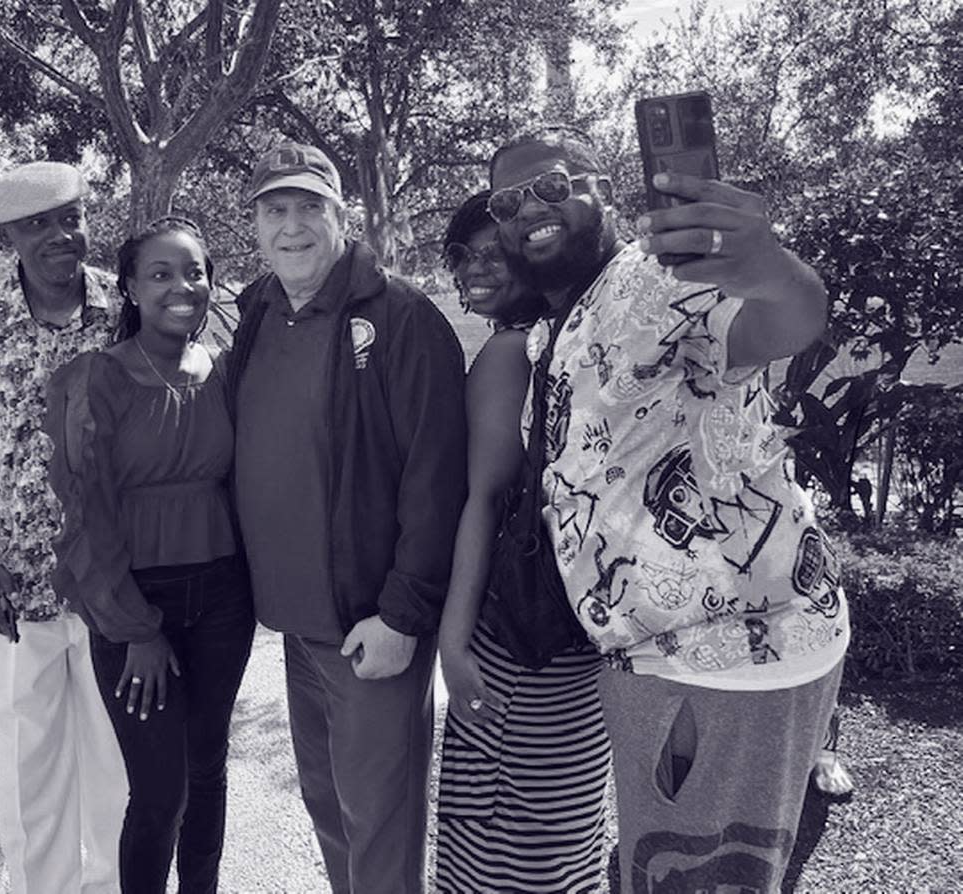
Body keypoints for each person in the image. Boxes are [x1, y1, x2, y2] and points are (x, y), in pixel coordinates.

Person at [487, 131, 850, 891]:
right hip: (662, 657)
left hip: (727, 655)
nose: (529, 210)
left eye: (551, 186)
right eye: (507, 202)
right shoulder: (564, 317)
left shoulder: (660, 277)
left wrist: (774, 271)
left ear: (604, 191)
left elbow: (783, 317)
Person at [225, 141, 467, 894]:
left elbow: (438, 477)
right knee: (329, 807)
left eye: (308, 207)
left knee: (380, 821)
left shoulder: (400, 316)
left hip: (372, 624)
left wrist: (403, 614)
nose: (290, 226)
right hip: (298, 627)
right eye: (274, 210)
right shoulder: (258, 312)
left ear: (341, 215)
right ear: (256, 226)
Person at [0, 161, 127, 894]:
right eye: (37, 224)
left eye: (69, 217)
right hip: (17, 593)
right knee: (29, 769)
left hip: (116, 588)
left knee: (121, 768)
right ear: (7, 236)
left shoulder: (125, 307)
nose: (59, 236)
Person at [45, 216, 255, 894]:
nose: (181, 286)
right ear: (130, 288)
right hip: (137, 606)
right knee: (160, 792)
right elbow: (84, 515)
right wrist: (136, 629)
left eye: (193, 272)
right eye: (160, 274)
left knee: (207, 770)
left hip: (224, 596)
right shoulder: (93, 379)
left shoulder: (223, 371)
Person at [434, 192, 611, 893]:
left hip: (516, 641)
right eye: (463, 255)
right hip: (573, 634)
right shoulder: (569, 334)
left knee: (506, 839)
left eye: (493, 253)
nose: (477, 269)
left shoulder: (512, 352)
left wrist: (452, 642)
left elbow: (484, 501)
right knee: (564, 832)